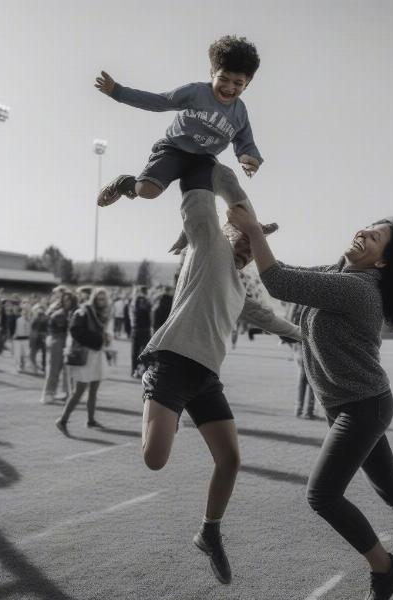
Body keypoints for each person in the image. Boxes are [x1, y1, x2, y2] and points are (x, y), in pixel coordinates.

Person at [228, 206, 393, 600]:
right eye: (367, 227)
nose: (364, 233)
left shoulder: (357, 288)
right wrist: (252, 244)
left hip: (362, 407)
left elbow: (280, 282)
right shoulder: (340, 272)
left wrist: (251, 227)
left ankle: (386, 568)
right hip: (352, 404)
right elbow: (286, 273)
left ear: (382, 260)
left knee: (322, 495)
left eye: (375, 236)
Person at [117, 164, 300, 585]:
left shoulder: (239, 289)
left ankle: (209, 531)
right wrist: (202, 163)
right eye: (244, 243)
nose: (247, 252)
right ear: (228, 233)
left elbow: (272, 321)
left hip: (205, 379)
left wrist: (307, 336)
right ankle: (149, 391)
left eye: (252, 250)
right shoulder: (208, 247)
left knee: (231, 459)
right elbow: (199, 201)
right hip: (171, 364)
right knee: (154, 459)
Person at [95, 35, 263, 253]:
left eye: (238, 83)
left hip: (204, 161)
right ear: (212, 73)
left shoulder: (240, 113)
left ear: (247, 84)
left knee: (203, 202)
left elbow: (245, 142)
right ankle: (124, 183)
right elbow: (159, 101)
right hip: (174, 150)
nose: (230, 88)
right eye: (224, 79)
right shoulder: (195, 92)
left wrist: (249, 159)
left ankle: (201, 231)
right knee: (147, 191)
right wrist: (118, 92)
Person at [55, 288, 112, 435]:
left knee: (94, 389)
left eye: (103, 299)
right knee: (79, 390)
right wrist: (95, 340)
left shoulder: (103, 313)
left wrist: (105, 339)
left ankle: (90, 420)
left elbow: (102, 332)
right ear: (93, 299)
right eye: (99, 298)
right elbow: (75, 330)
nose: (101, 301)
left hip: (97, 354)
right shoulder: (84, 311)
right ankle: (62, 420)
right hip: (85, 355)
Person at [41, 291, 77, 404]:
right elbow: (49, 327)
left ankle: (68, 393)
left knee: (69, 370)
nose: (67, 302)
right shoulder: (57, 313)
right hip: (57, 340)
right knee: (54, 369)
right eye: (65, 299)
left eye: (69, 299)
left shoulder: (76, 312)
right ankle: (49, 393)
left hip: (71, 340)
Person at [287, 303, 316, 419]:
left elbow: (289, 322)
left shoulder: (295, 304)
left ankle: (301, 409)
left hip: (299, 342)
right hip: (307, 342)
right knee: (310, 377)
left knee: (304, 375)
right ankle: (306, 410)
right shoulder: (309, 302)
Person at [130, 285, 152, 378]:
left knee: (135, 352)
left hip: (136, 329)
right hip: (145, 330)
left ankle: (134, 370)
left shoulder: (134, 302)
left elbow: (131, 315)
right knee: (145, 352)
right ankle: (144, 371)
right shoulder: (148, 303)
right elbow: (151, 316)